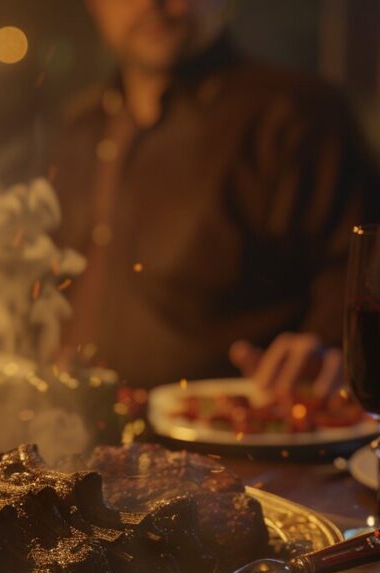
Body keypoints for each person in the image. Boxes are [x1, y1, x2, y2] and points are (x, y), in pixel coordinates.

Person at [52, 0, 380, 393]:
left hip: (236, 436)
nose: (151, 4)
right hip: (84, 430)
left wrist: (331, 348)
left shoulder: (294, 115)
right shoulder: (81, 125)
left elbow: (356, 269)